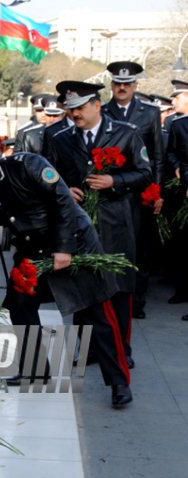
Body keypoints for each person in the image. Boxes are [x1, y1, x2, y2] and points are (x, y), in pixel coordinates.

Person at [0, 138, 132, 407]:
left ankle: (119, 382)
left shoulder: (28, 165)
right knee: (19, 304)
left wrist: (64, 247)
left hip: (74, 242)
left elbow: (63, 201)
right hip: (33, 250)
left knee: (96, 312)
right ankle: (35, 370)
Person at [47, 81, 152, 370]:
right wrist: (65, 189)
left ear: (96, 105)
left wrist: (115, 181)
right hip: (80, 227)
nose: (74, 114)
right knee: (84, 287)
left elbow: (145, 173)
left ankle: (123, 349)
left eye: (79, 108)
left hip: (116, 222)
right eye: (70, 109)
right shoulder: (60, 139)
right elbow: (49, 176)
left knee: (119, 288)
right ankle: (90, 348)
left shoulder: (125, 134)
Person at [101, 62, 165, 319]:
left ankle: (135, 302)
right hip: (110, 190)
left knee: (139, 247)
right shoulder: (102, 111)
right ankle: (110, 295)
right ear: (112, 85)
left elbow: (157, 157)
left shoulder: (149, 113)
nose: (122, 87)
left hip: (140, 192)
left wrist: (157, 191)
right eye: (118, 83)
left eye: (127, 84)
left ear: (136, 86)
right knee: (111, 246)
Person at [165, 80, 188, 308]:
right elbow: (170, 151)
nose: (173, 102)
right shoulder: (177, 125)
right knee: (182, 244)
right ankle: (182, 290)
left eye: (177, 97)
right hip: (183, 193)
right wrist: (176, 166)